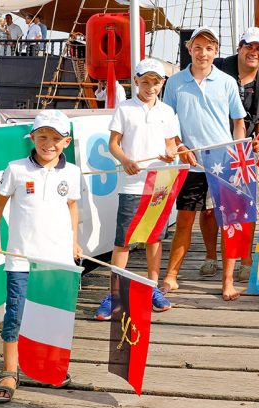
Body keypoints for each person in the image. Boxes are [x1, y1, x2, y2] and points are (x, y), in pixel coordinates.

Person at [0, 110, 82, 403]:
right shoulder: (16, 169)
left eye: (56, 138)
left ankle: (49, 366)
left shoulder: (72, 172)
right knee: (16, 315)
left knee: (54, 315)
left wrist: (74, 242)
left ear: (67, 142)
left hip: (58, 260)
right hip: (21, 260)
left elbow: (72, 207)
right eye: (42, 137)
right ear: (32, 138)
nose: (48, 143)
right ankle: (10, 371)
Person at [162, 27, 248, 301]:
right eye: (198, 47)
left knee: (229, 223)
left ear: (216, 52)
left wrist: (238, 153)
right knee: (185, 219)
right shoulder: (174, 83)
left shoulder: (227, 82)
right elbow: (168, 122)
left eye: (208, 48)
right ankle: (171, 277)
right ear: (189, 50)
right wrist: (180, 146)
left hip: (223, 161)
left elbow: (238, 122)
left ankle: (228, 281)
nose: (203, 53)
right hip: (191, 162)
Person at [93, 58, 177, 320]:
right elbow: (114, 144)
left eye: (156, 81)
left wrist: (170, 154)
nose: (151, 86)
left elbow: (172, 145)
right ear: (136, 81)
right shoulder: (125, 109)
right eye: (146, 81)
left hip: (159, 183)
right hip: (132, 183)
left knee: (154, 238)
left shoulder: (167, 111)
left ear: (162, 83)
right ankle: (116, 293)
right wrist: (126, 160)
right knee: (124, 241)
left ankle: (152, 287)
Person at [214, 26, 259, 281]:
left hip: (244, 153)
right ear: (239, 47)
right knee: (211, 210)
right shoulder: (218, 68)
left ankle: (246, 257)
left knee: (244, 208)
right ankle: (211, 256)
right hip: (214, 149)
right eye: (249, 46)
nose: (254, 52)